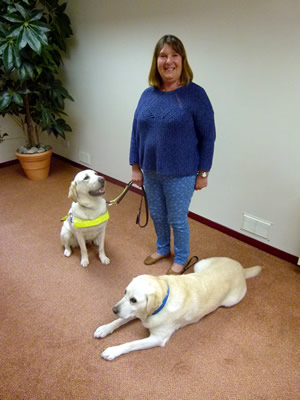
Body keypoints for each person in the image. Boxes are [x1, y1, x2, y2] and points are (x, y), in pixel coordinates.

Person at [129, 34, 216, 274]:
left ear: (182, 60)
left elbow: (208, 136)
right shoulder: (147, 95)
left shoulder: (195, 95)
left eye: (174, 55)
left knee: (177, 218)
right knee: (157, 214)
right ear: (156, 61)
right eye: (163, 55)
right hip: (152, 169)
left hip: (182, 172)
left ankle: (181, 257)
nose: (169, 61)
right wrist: (135, 166)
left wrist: (204, 172)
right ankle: (163, 247)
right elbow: (136, 131)